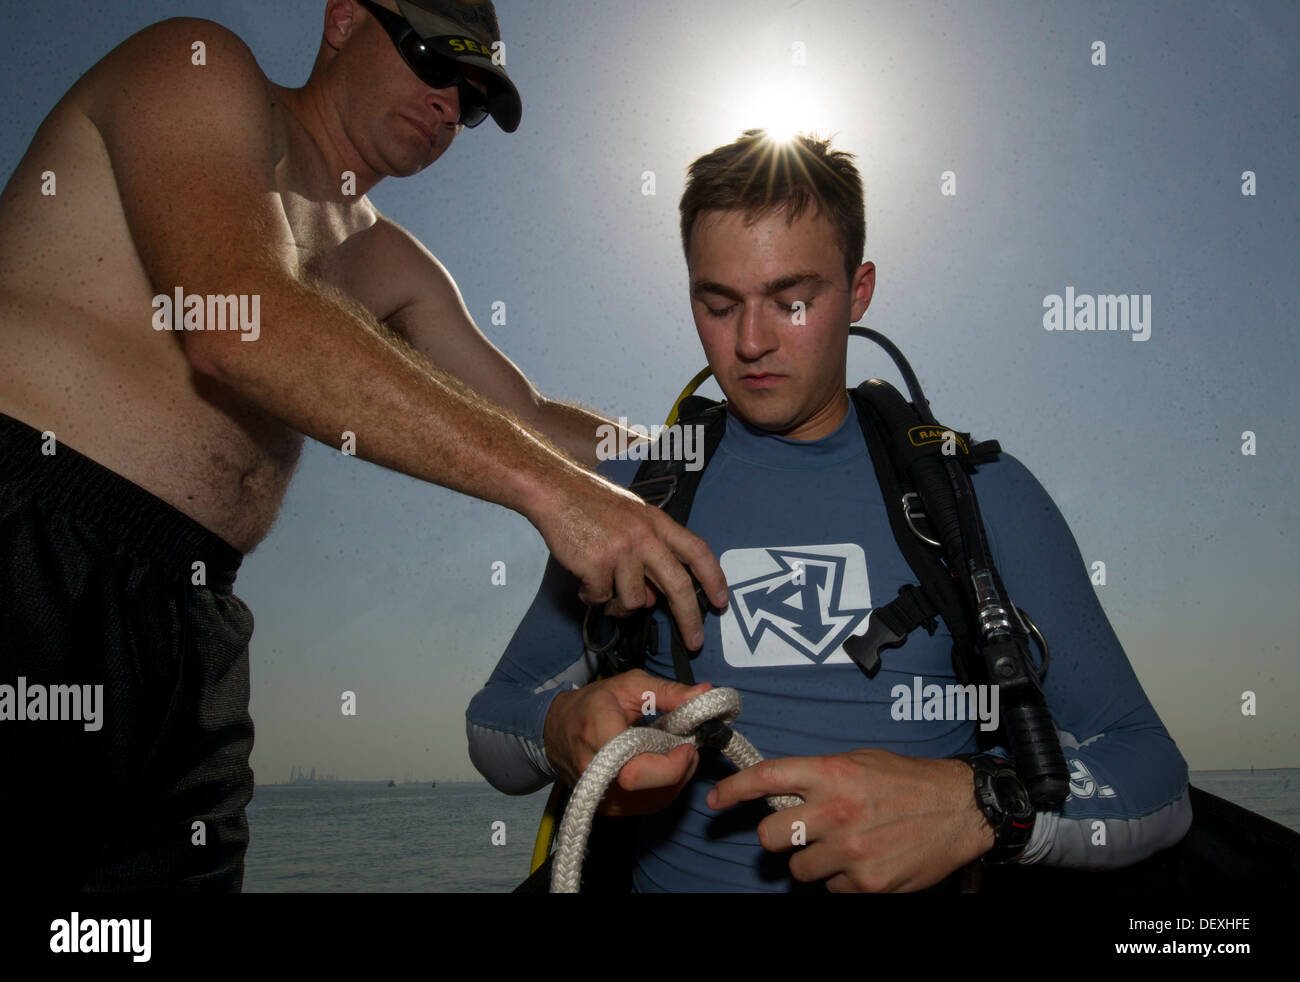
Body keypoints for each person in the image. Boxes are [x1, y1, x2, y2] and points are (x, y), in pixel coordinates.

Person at [0, 0, 725, 891]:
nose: (448, 109)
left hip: (193, 614)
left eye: (472, 99)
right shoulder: (194, 67)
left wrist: (725, 454)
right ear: (345, 18)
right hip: (29, 536)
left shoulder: (394, 264)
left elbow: (532, 420)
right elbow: (239, 319)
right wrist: (552, 493)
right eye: (436, 64)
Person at [466, 130, 1192, 892]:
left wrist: (977, 805)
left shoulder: (978, 495)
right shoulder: (629, 494)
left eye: (794, 301)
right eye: (718, 304)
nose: (750, 342)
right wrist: (561, 730)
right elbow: (495, 723)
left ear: (860, 291)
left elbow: (1152, 773)